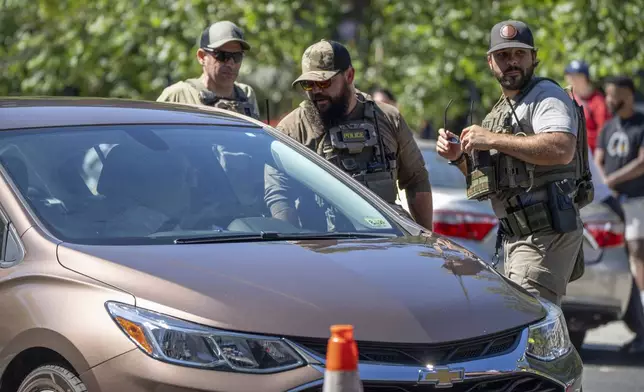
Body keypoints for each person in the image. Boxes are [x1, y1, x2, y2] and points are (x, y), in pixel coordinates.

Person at [436, 20, 590, 306]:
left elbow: (561, 148)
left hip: (545, 234)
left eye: (519, 54)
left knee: (528, 329)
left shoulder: (546, 96)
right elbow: (490, 185)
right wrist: (458, 157)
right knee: (533, 332)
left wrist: (492, 139)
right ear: (490, 62)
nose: (512, 62)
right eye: (503, 56)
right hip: (516, 238)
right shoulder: (503, 109)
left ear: (534, 56)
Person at [264, 39, 433, 230]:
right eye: (309, 85)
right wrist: (295, 246)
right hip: (322, 249)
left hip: (384, 243)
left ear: (350, 75)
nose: (317, 91)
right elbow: (279, 194)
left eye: (324, 82)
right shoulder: (292, 129)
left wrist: (426, 237)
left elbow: (416, 178)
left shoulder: (387, 118)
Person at [595, 76, 644, 352]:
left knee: (637, 252)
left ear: (629, 95)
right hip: (612, 203)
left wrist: (610, 181)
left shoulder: (641, 124)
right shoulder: (608, 127)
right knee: (620, 255)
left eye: (615, 95)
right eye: (609, 95)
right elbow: (598, 158)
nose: (611, 100)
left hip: (637, 200)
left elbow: (642, 162)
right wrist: (605, 183)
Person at [157, 21, 260, 119]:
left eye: (237, 56)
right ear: (202, 57)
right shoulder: (179, 95)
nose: (230, 63)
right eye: (222, 55)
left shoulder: (246, 94)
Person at [564, 60, 611, 152]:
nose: (571, 79)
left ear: (585, 78)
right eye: (569, 76)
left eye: (576, 76)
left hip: (591, 154)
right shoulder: (567, 97)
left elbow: (604, 133)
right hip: (571, 153)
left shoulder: (598, 101)